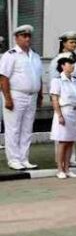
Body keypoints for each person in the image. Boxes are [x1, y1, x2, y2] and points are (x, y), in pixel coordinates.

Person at [1, 25, 42, 170]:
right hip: (16, 95)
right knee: (13, 129)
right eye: (24, 36)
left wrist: (40, 96)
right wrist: (8, 98)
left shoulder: (35, 56)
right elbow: (3, 78)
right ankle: (13, 159)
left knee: (27, 129)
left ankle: (24, 158)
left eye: (29, 36)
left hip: (32, 96)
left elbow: (38, 77)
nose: (27, 39)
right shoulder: (10, 55)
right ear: (16, 38)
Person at [50, 52, 76, 179]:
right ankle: (60, 169)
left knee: (70, 142)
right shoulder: (57, 81)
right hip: (64, 111)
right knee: (63, 141)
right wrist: (59, 115)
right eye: (69, 64)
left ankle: (67, 168)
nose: (72, 66)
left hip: (74, 112)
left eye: (73, 64)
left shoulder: (75, 80)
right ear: (63, 66)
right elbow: (55, 99)